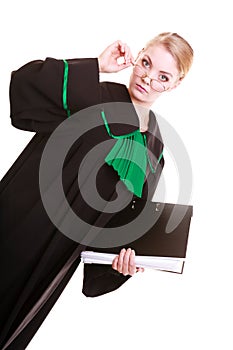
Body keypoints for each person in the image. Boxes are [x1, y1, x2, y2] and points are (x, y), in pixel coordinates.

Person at [0, 32, 193, 349]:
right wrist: (96, 66)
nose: (147, 78)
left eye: (163, 77)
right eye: (145, 63)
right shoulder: (94, 94)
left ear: (175, 84)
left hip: (59, 254)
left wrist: (121, 265)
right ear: (138, 55)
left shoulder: (155, 146)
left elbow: (125, 222)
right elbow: (23, 83)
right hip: (21, 221)